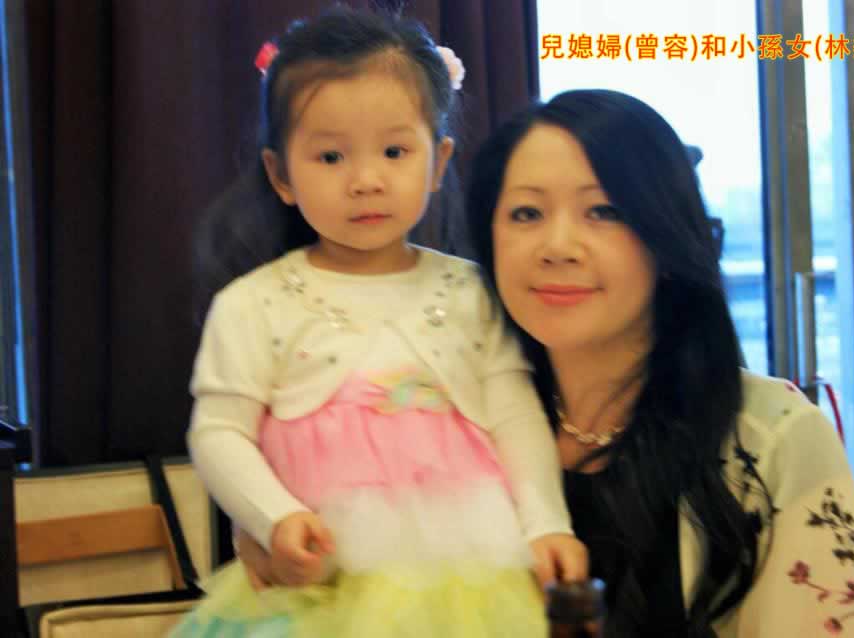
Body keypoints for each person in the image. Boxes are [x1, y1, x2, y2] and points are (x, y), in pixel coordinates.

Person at [238, 88, 854, 637]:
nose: (557, 246)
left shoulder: (769, 437)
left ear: (666, 237)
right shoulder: (424, 418)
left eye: (603, 211)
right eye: (526, 213)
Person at [171, 8, 586, 637]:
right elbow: (219, 432)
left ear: (438, 161)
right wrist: (274, 519)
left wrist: (547, 524)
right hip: (320, 586)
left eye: (395, 151)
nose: (366, 180)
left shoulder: (474, 291)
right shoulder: (252, 304)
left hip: (472, 585)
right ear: (281, 174)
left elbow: (514, 416)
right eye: (330, 156)